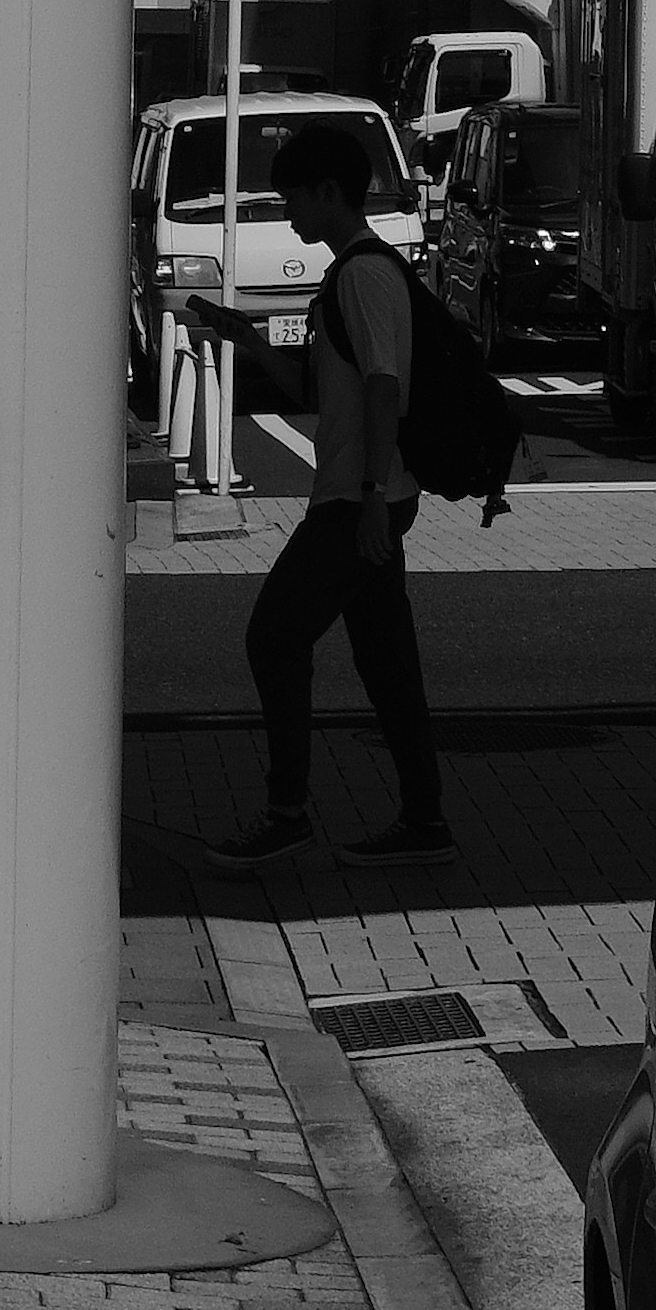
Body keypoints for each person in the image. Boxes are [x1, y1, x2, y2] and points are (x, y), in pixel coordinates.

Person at [221, 120, 452, 866]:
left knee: (274, 636)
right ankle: (425, 825)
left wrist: (375, 495)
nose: (286, 211)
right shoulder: (345, 275)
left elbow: (387, 384)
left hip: (360, 500)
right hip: (366, 493)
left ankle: (287, 812)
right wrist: (247, 339)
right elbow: (323, 391)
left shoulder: (363, 272)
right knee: (387, 663)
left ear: (327, 191)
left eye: (291, 195)